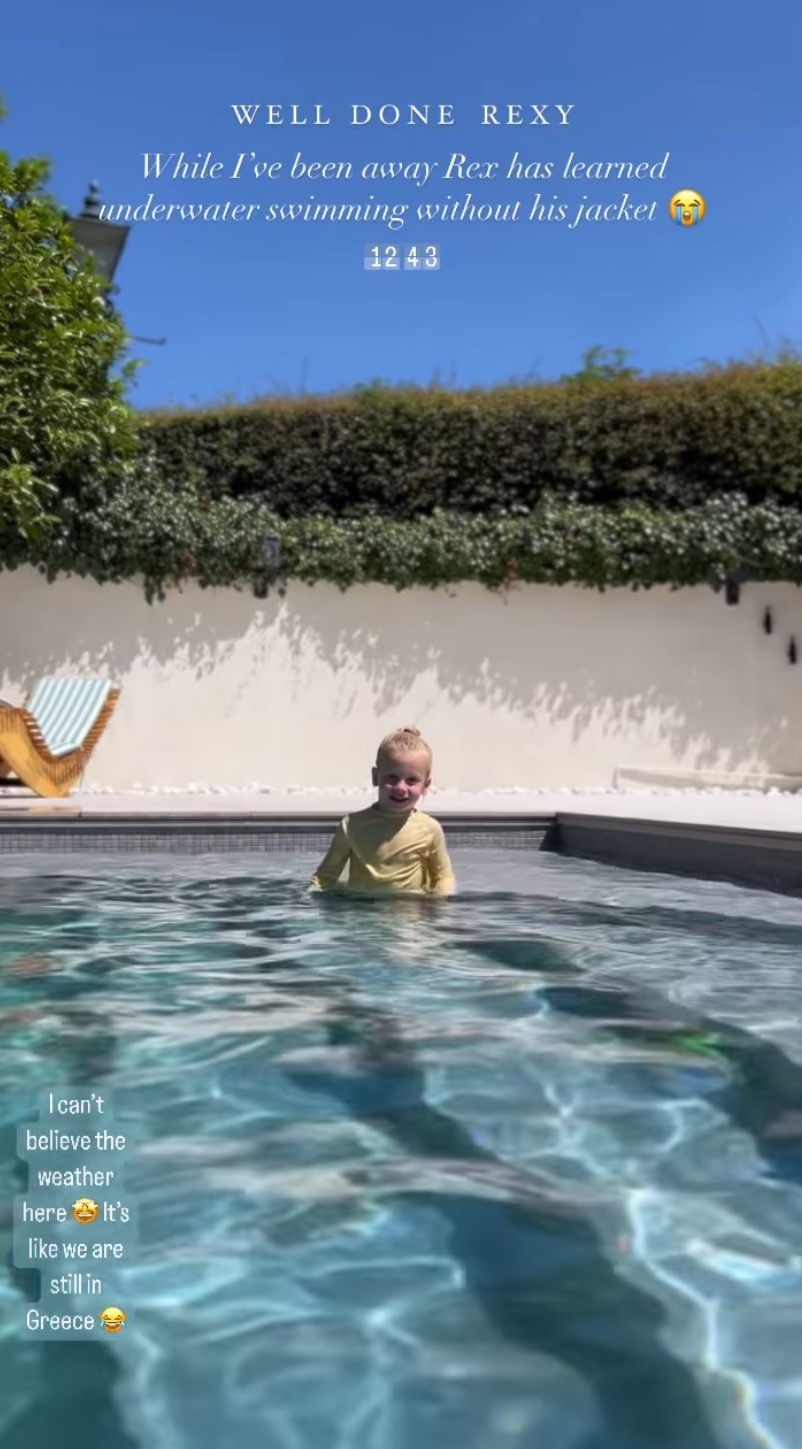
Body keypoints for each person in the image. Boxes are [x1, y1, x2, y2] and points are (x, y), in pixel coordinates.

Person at [310, 726, 456, 896]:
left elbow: (444, 877)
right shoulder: (352, 826)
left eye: (411, 780)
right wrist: (309, 899)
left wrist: (439, 900)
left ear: (426, 785)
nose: (400, 788)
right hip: (362, 909)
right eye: (392, 778)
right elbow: (326, 876)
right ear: (375, 777)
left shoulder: (429, 829)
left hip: (409, 909)